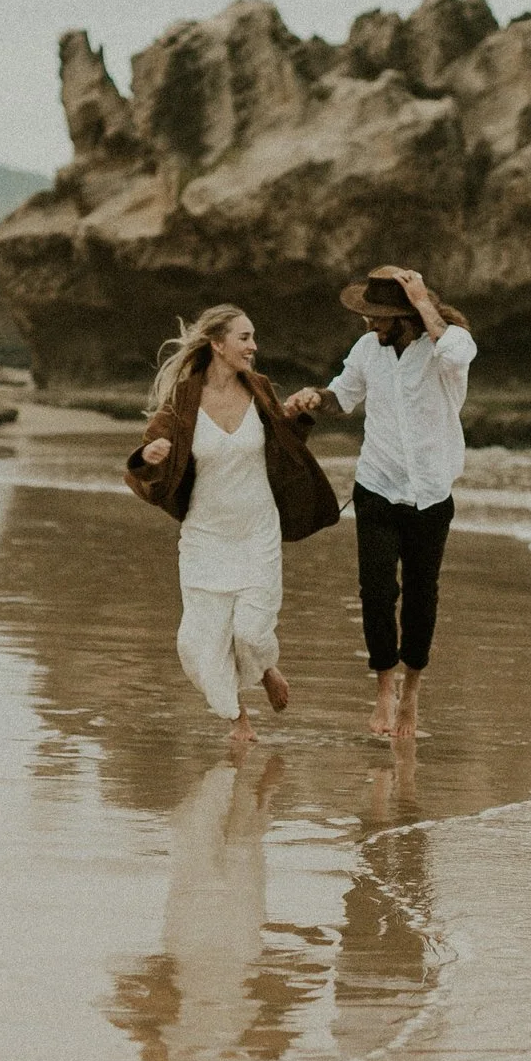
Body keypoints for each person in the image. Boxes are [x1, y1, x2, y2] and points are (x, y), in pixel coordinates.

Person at [126, 305, 342, 742]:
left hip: (257, 531)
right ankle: (237, 719)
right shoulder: (183, 400)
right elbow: (145, 457)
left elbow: (283, 445)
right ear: (217, 344)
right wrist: (148, 457)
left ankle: (263, 666)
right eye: (244, 337)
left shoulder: (259, 389)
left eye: (253, 337)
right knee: (202, 639)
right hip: (205, 536)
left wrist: (299, 414)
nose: (253, 346)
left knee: (251, 631)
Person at [285, 266, 476, 740]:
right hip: (376, 486)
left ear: (404, 314)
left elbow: (458, 350)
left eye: (378, 315)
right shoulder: (368, 349)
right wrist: (316, 398)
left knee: (421, 594)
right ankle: (384, 688)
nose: (369, 322)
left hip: (430, 493)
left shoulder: (446, 349)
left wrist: (424, 302)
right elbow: (342, 397)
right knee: (375, 592)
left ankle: (412, 693)